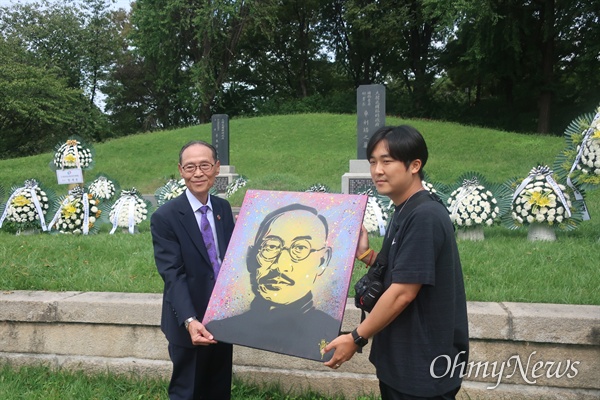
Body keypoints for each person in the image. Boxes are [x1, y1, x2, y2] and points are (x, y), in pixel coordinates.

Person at [323, 125, 469, 400]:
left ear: (415, 165)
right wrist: (366, 255)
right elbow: (405, 269)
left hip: (423, 369)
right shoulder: (405, 209)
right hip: (403, 361)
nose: (377, 170)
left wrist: (355, 338)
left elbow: (403, 292)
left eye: (387, 161)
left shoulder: (424, 215)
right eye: (373, 162)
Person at [151, 140, 235, 400]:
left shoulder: (222, 208)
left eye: (204, 165)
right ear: (180, 170)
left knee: (219, 388)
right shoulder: (166, 217)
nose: (197, 173)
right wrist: (189, 320)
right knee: (188, 392)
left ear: (217, 168)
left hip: (222, 316)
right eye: (190, 167)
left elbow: (229, 260)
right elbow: (172, 274)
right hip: (189, 320)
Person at [205, 203, 340, 361]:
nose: (280, 265)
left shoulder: (327, 333)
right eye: (270, 246)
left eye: (300, 248)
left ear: (323, 260)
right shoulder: (222, 329)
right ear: (251, 256)